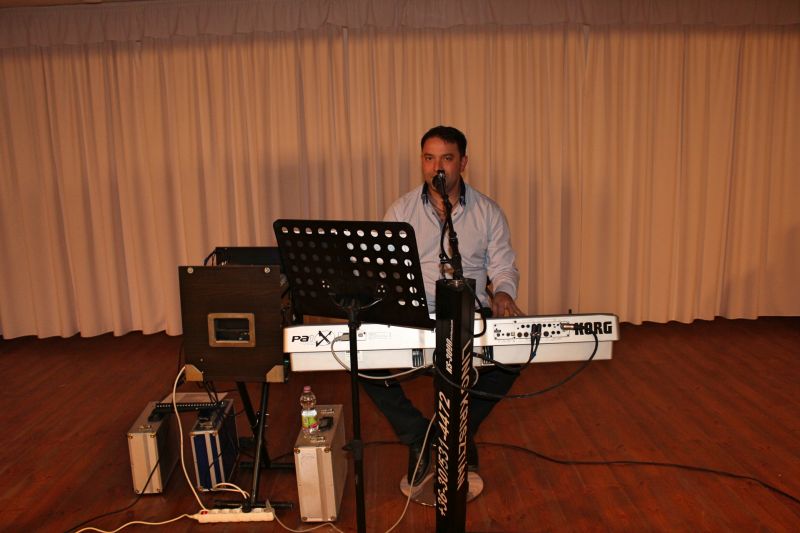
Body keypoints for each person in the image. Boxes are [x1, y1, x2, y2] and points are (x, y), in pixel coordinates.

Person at [361, 125, 524, 486]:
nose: (437, 167)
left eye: (446, 158)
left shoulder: (488, 211)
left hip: (470, 313)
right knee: (358, 356)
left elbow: (503, 267)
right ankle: (417, 434)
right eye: (429, 158)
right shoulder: (400, 209)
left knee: (516, 353)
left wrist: (503, 292)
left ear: (462, 163)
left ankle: (458, 432)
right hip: (414, 313)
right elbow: (384, 269)